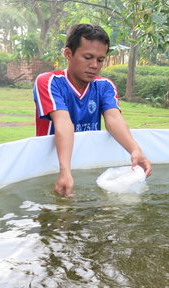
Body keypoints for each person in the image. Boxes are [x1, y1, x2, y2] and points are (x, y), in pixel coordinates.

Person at [33, 23, 152, 197]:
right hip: (54, 166)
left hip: (88, 167)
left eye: (100, 59)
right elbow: (64, 123)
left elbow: (113, 118)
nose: (94, 65)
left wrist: (135, 150)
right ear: (68, 54)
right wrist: (65, 172)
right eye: (87, 57)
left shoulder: (104, 86)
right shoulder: (50, 82)